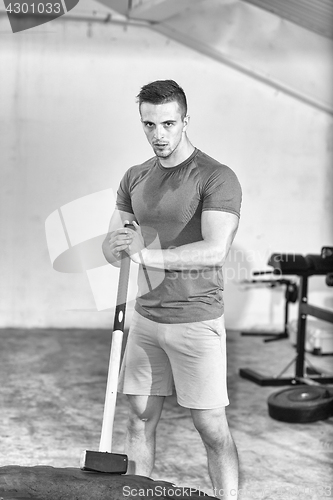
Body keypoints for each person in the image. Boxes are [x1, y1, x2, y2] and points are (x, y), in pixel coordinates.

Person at [102, 79, 242, 499]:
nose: (158, 135)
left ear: (185, 120)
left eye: (167, 123)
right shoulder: (135, 176)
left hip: (196, 319)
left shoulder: (216, 177)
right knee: (139, 419)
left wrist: (146, 256)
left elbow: (215, 250)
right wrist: (115, 247)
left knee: (211, 426)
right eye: (149, 125)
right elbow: (117, 245)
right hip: (146, 319)